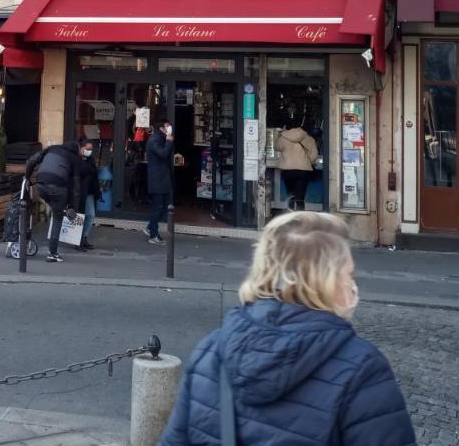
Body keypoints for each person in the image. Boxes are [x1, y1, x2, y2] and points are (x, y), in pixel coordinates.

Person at [160, 212, 416, 446]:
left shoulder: (211, 350)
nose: (352, 285)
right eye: (348, 275)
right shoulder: (362, 370)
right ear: (323, 282)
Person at [26, 141, 80, 263]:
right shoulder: (74, 158)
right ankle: (52, 254)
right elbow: (76, 186)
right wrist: (74, 208)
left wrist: (26, 177)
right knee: (57, 218)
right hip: (58, 188)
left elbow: (31, 161)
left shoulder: (51, 149)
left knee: (56, 207)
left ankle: (61, 209)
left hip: (40, 185)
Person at [276, 122, 320, 207]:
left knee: (291, 194)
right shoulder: (309, 139)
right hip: (303, 171)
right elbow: (314, 155)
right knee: (300, 195)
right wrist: (307, 162)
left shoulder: (283, 138)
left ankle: (291, 212)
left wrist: (283, 133)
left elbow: (276, 147)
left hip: (287, 170)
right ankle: (300, 213)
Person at [145, 117, 173, 245]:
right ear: (161, 128)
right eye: (167, 126)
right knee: (158, 207)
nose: (169, 128)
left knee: (166, 206)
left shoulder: (160, 138)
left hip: (163, 178)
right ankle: (154, 235)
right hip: (157, 179)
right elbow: (163, 153)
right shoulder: (154, 140)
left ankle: (150, 227)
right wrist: (168, 142)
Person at [75, 139, 101, 251]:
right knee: (79, 217)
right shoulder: (75, 159)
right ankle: (78, 241)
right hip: (79, 192)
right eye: (87, 148)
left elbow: (94, 173)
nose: (89, 151)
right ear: (81, 148)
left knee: (90, 216)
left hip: (89, 192)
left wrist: (98, 193)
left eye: (91, 149)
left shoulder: (90, 159)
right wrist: (89, 169)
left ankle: (84, 238)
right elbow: (81, 171)